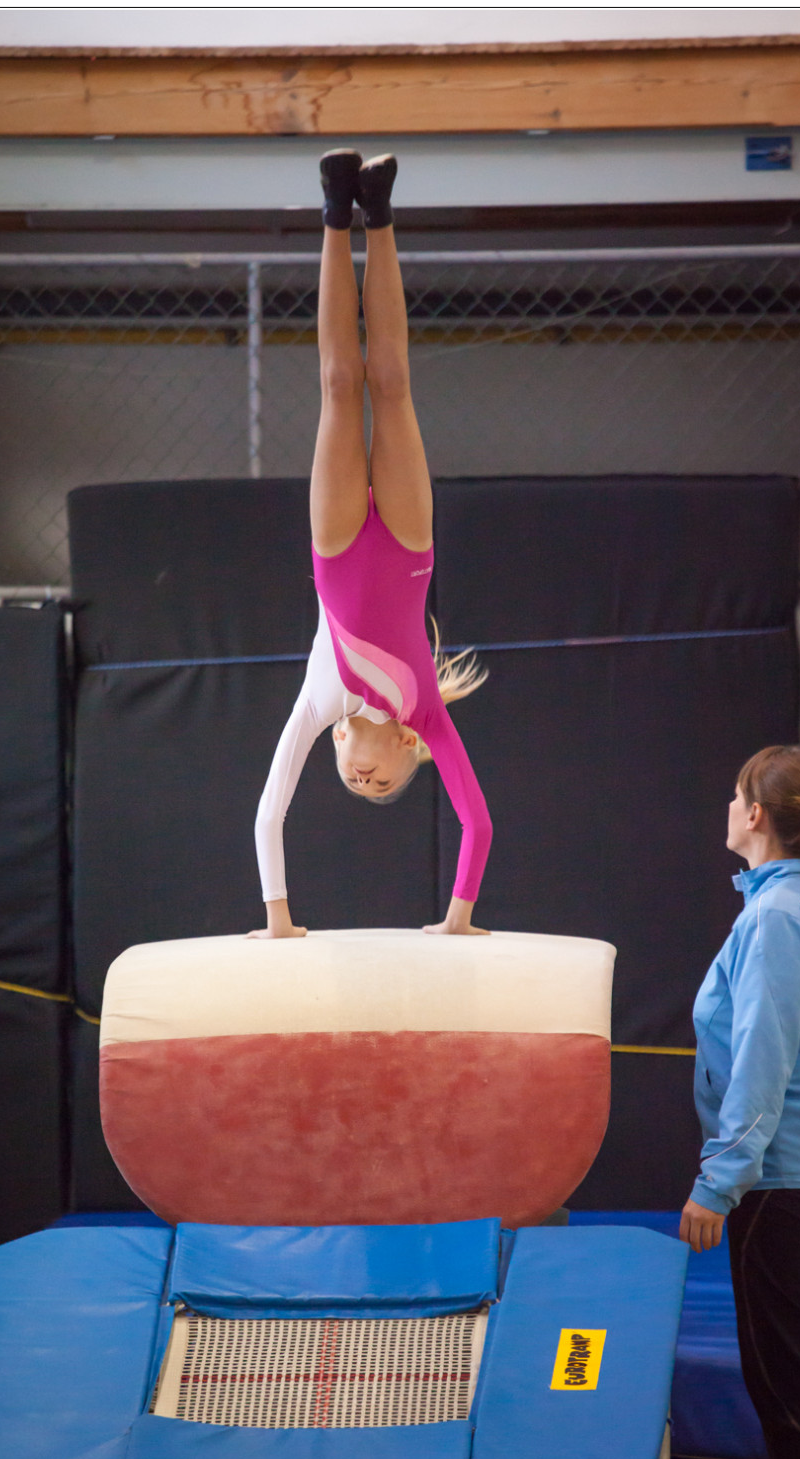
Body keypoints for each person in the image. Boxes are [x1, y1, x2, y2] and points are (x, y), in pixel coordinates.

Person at [252, 151, 492, 939]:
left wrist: (279, 921)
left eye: (354, 785)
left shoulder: (319, 705)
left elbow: (270, 810)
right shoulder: (424, 714)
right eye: (381, 785)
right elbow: (477, 823)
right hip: (407, 543)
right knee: (389, 383)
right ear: (407, 751)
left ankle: (334, 209)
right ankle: (379, 212)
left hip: (336, 546)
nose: (363, 781)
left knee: (336, 385)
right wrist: (457, 919)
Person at [679, 745, 800, 1459]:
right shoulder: (799, 905)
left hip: (782, 1181)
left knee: (793, 1388)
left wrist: (719, 1182)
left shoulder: (778, 919)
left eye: (733, 795)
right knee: (792, 1377)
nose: (725, 808)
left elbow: (761, 1059)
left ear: (753, 814)